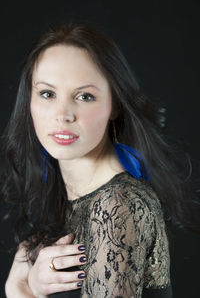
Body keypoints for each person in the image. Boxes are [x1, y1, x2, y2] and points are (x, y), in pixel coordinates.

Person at [1, 21, 199, 298]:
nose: (63, 114)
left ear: (114, 105)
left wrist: (21, 289)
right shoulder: (62, 198)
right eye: (47, 93)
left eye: (85, 96)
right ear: (29, 101)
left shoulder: (117, 205)